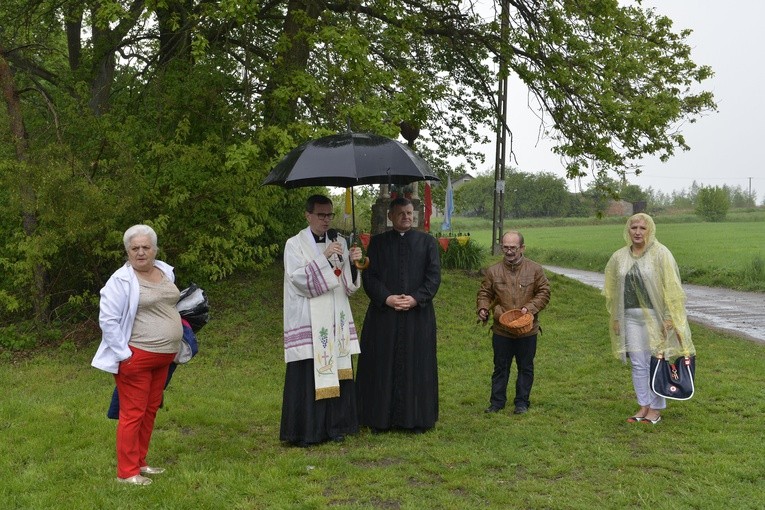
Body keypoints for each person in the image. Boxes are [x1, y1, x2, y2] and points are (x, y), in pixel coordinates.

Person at [92, 224, 182, 485]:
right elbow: (108, 319)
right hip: (137, 358)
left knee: (150, 410)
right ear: (127, 251)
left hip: (164, 357)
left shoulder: (165, 272)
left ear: (154, 249)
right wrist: (124, 354)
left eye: (146, 247)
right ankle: (126, 472)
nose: (141, 252)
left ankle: (140, 462)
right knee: (132, 414)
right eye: (135, 248)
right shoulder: (120, 280)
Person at [280, 194, 364, 446]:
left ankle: (337, 426)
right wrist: (323, 258)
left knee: (338, 371)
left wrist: (353, 262)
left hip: (336, 316)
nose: (326, 220)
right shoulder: (294, 244)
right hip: (309, 317)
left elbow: (347, 285)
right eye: (321, 215)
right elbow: (297, 279)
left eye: (329, 215)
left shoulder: (338, 240)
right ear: (307, 215)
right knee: (308, 372)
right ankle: (307, 431)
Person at [356, 197, 441, 433]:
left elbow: (433, 278)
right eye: (401, 213)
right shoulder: (378, 243)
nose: (406, 216)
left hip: (418, 316)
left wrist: (415, 298)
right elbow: (370, 277)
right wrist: (387, 298)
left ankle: (417, 419)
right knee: (382, 363)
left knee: (417, 364)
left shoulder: (428, 242)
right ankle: (379, 419)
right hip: (385, 315)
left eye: (409, 212)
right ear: (390, 216)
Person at [604, 213, 695, 424]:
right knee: (638, 363)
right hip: (630, 318)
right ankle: (643, 404)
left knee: (657, 361)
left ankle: (656, 408)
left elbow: (672, 288)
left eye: (642, 228)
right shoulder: (619, 257)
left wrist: (669, 318)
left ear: (650, 230)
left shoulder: (661, 254)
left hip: (655, 318)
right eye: (633, 227)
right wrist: (617, 318)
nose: (637, 232)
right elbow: (615, 290)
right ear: (628, 230)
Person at [476, 231, 550, 415]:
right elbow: (485, 293)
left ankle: (522, 403)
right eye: (505, 248)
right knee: (500, 367)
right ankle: (496, 403)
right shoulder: (493, 271)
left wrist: (529, 309)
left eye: (513, 248)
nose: (509, 252)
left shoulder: (535, 269)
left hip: (528, 329)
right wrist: (483, 308)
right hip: (501, 330)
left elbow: (544, 292)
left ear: (522, 248)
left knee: (526, 367)